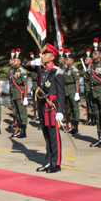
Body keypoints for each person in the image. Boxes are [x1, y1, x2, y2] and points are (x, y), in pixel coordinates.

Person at [31, 44, 66, 173]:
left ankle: (56, 163)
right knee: (46, 136)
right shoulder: (43, 71)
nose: (42, 56)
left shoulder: (57, 72)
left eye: (45, 54)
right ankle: (48, 161)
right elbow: (25, 64)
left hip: (52, 107)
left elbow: (62, 93)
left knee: (54, 136)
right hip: (43, 106)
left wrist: (61, 111)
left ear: (52, 56)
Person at [9, 49, 29, 138]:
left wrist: (25, 97)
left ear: (20, 62)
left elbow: (25, 85)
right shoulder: (11, 70)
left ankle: (23, 131)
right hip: (13, 94)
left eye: (15, 60)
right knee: (16, 112)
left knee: (22, 113)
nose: (13, 61)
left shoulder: (22, 71)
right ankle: (19, 129)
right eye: (13, 60)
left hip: (20, 94)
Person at [63, 50, 81, 134]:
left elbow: (77, 82)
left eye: (67, 59)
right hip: (66, 90)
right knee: (69, 109)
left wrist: (77, 93)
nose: (65, 61)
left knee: (75, 108)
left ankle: (75, 126)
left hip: (72, 90)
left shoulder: (74, 69)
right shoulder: (66, 69)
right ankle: (72, 124)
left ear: (72, 61)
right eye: (65, 59)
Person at [82, 50, 97, 126]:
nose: (85, 60)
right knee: (88, 104)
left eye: (87, 59)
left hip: (91, 88)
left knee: (93, 103)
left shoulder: (93, 68)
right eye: (85, 59)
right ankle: (90, 118)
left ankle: (94, 118)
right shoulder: (86, 68)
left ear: (91, 60)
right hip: (87, 88)